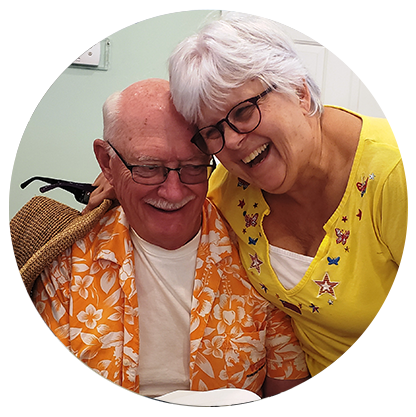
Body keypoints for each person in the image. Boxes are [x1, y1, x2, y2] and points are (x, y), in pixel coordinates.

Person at [165, 13, 409, 407]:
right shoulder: (230, 190)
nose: (233, 141)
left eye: (243, 112)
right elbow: (164, 182)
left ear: (300, 92)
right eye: (213, 131)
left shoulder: (397, 174)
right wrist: (115, 180)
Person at [19, 78, 311, 407]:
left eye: (192, 167)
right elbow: (48, 402)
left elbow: (290, 400)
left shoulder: (255, 248)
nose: (173, 192)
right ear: (106, 163)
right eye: (148, 168)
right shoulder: (68, 264)